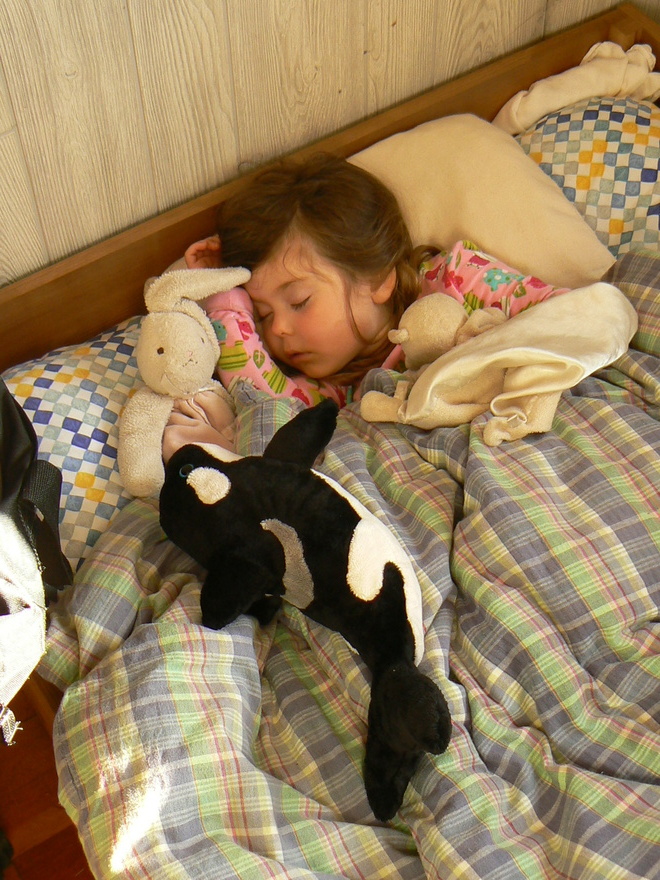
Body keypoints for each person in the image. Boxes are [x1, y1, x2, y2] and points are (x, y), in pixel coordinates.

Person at [166, 153, 568, 451]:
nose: (279, 330)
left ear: (377, 279)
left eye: (299, 301)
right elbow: (265, 405)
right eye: (264, 315)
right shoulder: (336, 393)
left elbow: (566, 318)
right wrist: (220, 291)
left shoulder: (457, 280)